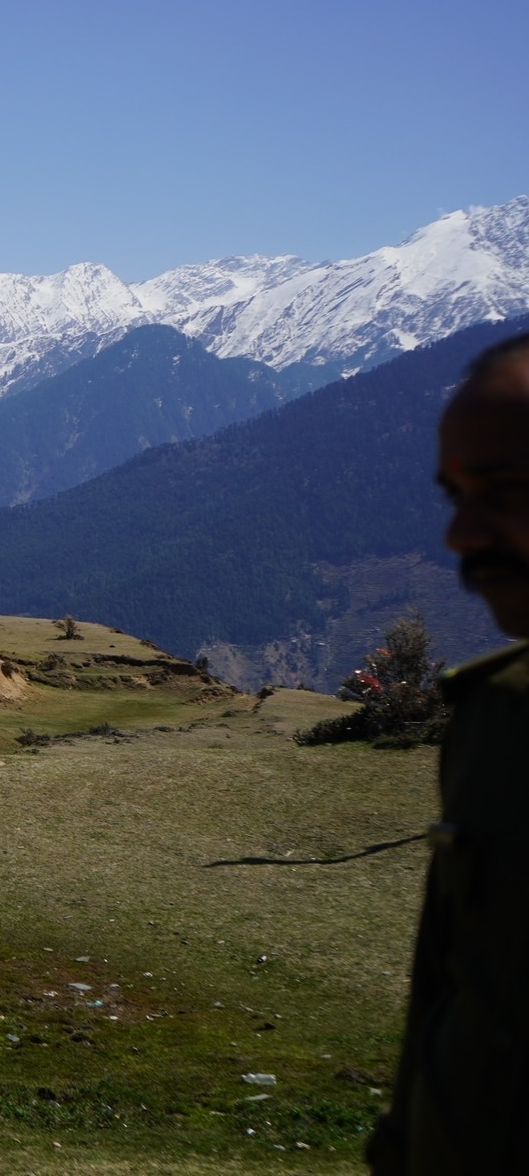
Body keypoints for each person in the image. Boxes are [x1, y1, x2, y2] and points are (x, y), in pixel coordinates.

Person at [369, 332, 529, 1173]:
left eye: (503, 488)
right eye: (455, 494)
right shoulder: (496, 716)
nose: (461, 535)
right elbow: (450, 987)